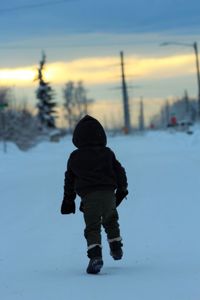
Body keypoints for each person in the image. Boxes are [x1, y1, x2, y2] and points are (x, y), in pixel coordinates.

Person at [61, 115, 128, 274]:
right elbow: (120, 172)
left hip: (89, 197)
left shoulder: (75, 157)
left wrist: (68, 201)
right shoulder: (107, 153)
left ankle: (95, 257)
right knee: (111, 220)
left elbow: (69, 181)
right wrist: (122, 189)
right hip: (108, 195)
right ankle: (116, 246)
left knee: (92, 228)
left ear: (77, 137)